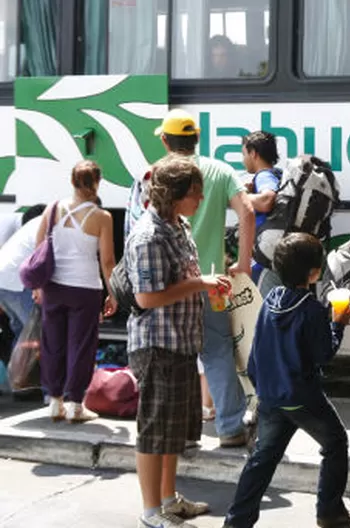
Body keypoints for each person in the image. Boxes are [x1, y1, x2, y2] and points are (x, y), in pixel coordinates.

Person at [222, 233, 350, 528]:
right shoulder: (312, 310)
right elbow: (324, 354)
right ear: (314, 272)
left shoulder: (271, 299)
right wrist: (338, 324)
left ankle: (236, 521)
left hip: (270, 396)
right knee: (335, 443)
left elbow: (258, 348)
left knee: (262, 459)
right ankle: (329, 511)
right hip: (302, 398)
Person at [126, 155, 230, 528]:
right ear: (175, 195)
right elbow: (147, 298)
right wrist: (200, 284)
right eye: (195, 194)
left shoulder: (179, 225)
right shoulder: (149, 235)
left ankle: (169, 499)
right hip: (158, 344)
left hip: (182, 341)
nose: (200, 201)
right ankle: (152, 511)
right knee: (155, 430)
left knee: (175, 431)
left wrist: (209, 279)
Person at [154, 109, 256, 447]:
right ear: (197, 138)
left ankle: (181, 432)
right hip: (213, 282)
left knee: (174, 356)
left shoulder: (158, 175)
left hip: (171, 286)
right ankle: (229, 428)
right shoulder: (221, 169)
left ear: (166, 141)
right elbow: (248, 211)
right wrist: (242, 262)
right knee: (218, 351)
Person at [38, 161, 118, 423]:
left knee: (53, 343)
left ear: (72, 182)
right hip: (85, 289)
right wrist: (113, 292)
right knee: (80, 346)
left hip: (53, 286)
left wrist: (38, 286)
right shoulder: (101, 217)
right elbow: (107, 261)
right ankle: (75, 404)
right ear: (97, 183)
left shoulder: (52, 210)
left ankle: (54, 401)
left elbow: (39, 248)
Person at [241, 130, 282, 289]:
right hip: (277, 256)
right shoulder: (279, 174)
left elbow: (267, 200)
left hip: (265, 261)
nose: (243, 160)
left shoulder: (264, 175)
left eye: (244, 154)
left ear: (253, 153)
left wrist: (238, 197)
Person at [0, 204, 46, 341]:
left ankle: (14, 362)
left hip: (7, 282)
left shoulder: (29, 225)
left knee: (21, 331)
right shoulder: (5, 227)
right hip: (15, 283)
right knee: (35, 332)